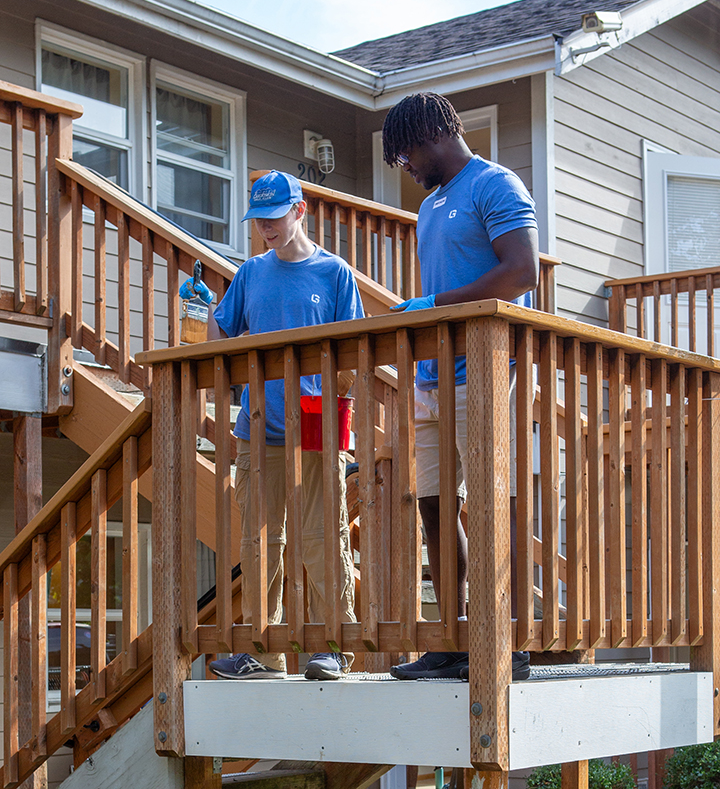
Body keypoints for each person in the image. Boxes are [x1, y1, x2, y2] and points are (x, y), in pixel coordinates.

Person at [181, 170, 364, 681]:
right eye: (258, 219)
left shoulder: (334, 274)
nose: (265, 227)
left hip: (315, 423)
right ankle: (263, 651)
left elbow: (353, 358)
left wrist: (335, 415)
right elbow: (220, 335)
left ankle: (335, 647)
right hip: (257, 427)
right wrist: (198, 309)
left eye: (274, 216)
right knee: (259, 542)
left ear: (299, 211)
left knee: (323, 538)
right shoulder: (250, 274)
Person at [381, 92, 538, 681]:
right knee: (433, 505)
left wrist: (435, 304)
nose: (406, 167)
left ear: (430, 135)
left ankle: (509, 645)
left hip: (483, 368)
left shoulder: (494, 185)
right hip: (430, 376)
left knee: (495, 505)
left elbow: (521, 271)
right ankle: (454, 642)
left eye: (405, 154)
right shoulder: (431, 206)